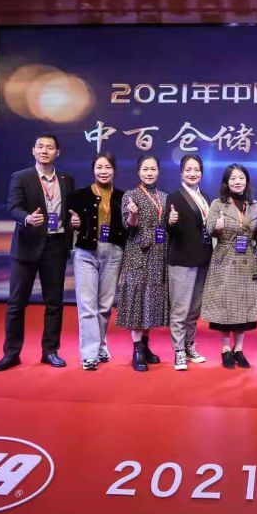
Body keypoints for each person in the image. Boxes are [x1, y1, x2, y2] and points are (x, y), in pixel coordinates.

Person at [0, 133, 78, 371]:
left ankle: (50, 351)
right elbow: (13, 207)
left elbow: (69, 211)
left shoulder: (66, 179)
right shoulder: (21, 177)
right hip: (27, 246)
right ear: (33, 150)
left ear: (57, 153)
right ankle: (11, 353)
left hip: (56, 245)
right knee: (16, 303)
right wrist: (27, 219)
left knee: (54, 304)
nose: (44, 151)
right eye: (40, 146)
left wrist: (75, 221)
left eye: (49, 147)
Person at [69, 152, 127, 371]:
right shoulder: (80, 195)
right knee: (87, 305)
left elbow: (128, 227)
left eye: (107, 167)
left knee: (104, 306)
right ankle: (89, 354)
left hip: (114, 253)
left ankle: (101, 345)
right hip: (86, 253)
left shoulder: (123, 197)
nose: (103, 171)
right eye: (99, 167)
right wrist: (73, 222)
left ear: (114, 170)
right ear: (93, 170)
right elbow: (67, 220)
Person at [201, 164, 257, 369]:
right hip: (225, 259)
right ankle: (226, 348)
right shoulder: (218, 204)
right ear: (226, 182)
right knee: (226, 305)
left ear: (247, 181)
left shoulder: (255, 205)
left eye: (241, 178)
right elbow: (209, 229)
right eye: (233, 178)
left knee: (243, 305)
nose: (237, 182)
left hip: (247, 259)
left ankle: (239, 349)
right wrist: (216, 227)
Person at [114, 154, 170, 372]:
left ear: (159, 172)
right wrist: (133, 215)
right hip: (137, 254)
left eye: (153, 169)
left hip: (158, 255)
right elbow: (128, 226)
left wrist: (172, 221)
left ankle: (145, 346)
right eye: (145, 169)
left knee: (151, 301)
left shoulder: (164, 197)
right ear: (138, 172)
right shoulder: (130, 195)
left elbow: (166, 226)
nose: (149, 173)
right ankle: (136, 350)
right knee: (137, 300)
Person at [165, 154, 213, 371]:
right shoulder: (174, 197)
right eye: (188, 170)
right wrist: (170, 221)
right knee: (180, 310)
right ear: (181, 173)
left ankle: (189, 345)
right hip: (182, 261)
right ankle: (178, 351)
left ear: (201, 173)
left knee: (194, 309)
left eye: (196, 170)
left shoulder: (205, 198)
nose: (193, 173)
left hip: (202, 258)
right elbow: (169, 228)